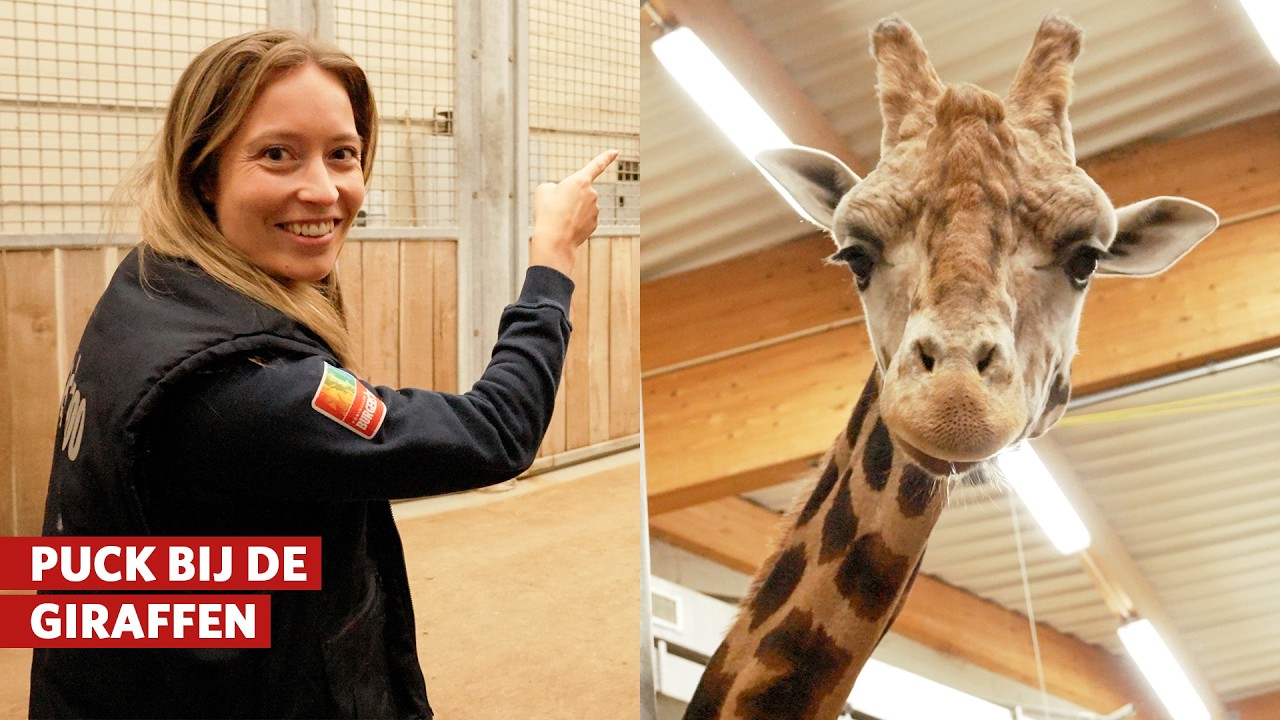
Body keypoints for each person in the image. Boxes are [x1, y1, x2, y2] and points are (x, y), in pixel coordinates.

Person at [29, 29, 617, 719]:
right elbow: (494, 433)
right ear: (203, 174)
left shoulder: (150, 287)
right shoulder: (246, 387)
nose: (323, 189)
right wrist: (552, 260)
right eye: (277, 155)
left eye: (343, 154)